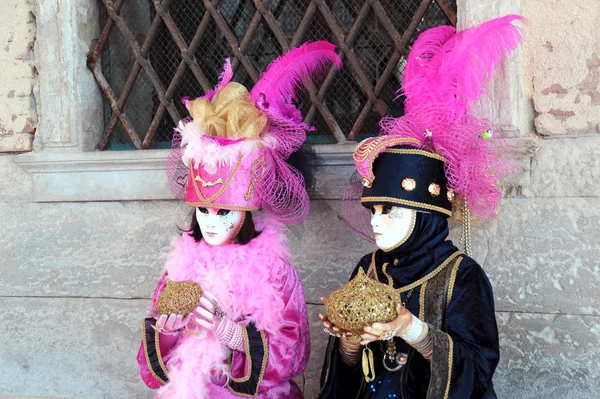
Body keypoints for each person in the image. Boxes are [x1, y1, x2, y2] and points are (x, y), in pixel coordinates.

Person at [318, 15, 525, 399]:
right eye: (375, 211)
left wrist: (409, 328)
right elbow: (347, 374)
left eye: (392, 212)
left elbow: (477, 368)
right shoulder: (368, 269)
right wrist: (347, 340)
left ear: (427, 216)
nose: (377, 224)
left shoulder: (461, 276)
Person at [136, 42, 341, 398]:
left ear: (245, 212)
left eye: (223, 211)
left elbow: (294, 354)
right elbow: (150, 368)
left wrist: (236, 337)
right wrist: (168, 332)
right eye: (204, 211)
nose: (211, 223)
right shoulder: (180, 268)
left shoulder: (275, 271)